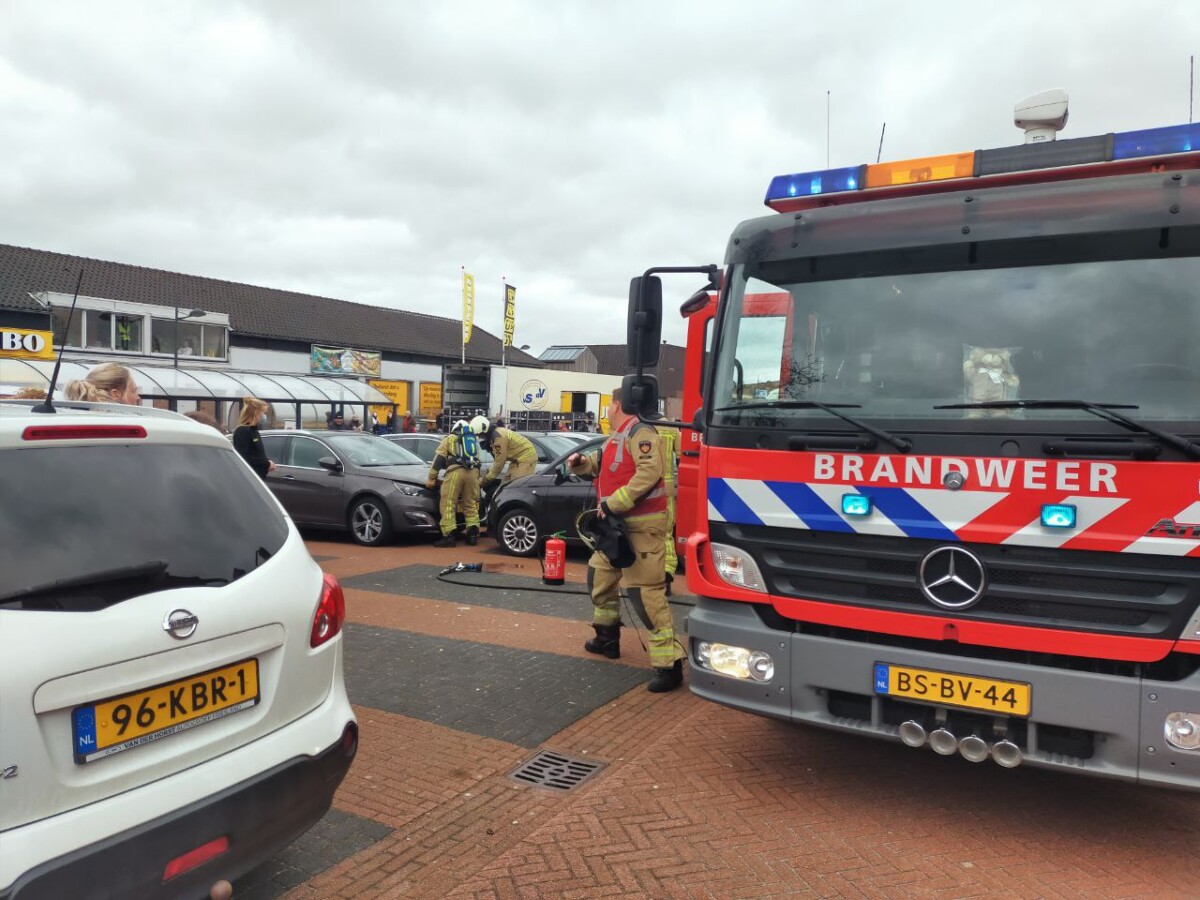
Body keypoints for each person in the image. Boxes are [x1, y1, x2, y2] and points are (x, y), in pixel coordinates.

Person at [567, 388, 683, 692]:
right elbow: (600, 465)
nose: (606, 409)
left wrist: (613, 503)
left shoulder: (640, 432)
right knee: (599, 578)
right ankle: (607, 639)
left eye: (609, 404)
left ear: (617, 404)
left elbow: (649, 472)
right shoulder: (616, 435)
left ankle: (669, 666)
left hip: (642, 526)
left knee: (645, 595)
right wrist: (579, 464)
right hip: (616, 527)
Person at [425, 419, 482, 547]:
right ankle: (472, 536)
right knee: (471, 504)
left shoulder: (449, 439)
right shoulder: (473, 441)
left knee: (448, 504)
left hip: (456, 472)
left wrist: (431, 478)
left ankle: (448, 537)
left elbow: (439, 459)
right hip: (473, 473)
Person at [477, 416, 538, 487]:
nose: (479, 437)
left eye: (479, 435)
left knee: (515, 486)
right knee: (505, 485)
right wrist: (490, 471)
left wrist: (487, 478)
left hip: (526, 458)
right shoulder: (496, 434)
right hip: (517, 459)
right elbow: (497, 459)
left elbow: (500, 461)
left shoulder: (498, 438)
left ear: (483, 432)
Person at [232, 397, 275, 480]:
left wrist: (267, 462)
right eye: (263, 412)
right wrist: (266, 463)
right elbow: (244, 457)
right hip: (248, 479)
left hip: (258, 477)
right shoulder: (242, 431)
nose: (264, 416)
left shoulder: (254, 430)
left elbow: (257, 453)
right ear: (256, 412)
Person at [64, 362, 141, 405]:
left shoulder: (68, 419)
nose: (138, 398)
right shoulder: (128, 427)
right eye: (133, 391)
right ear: (115, 394)